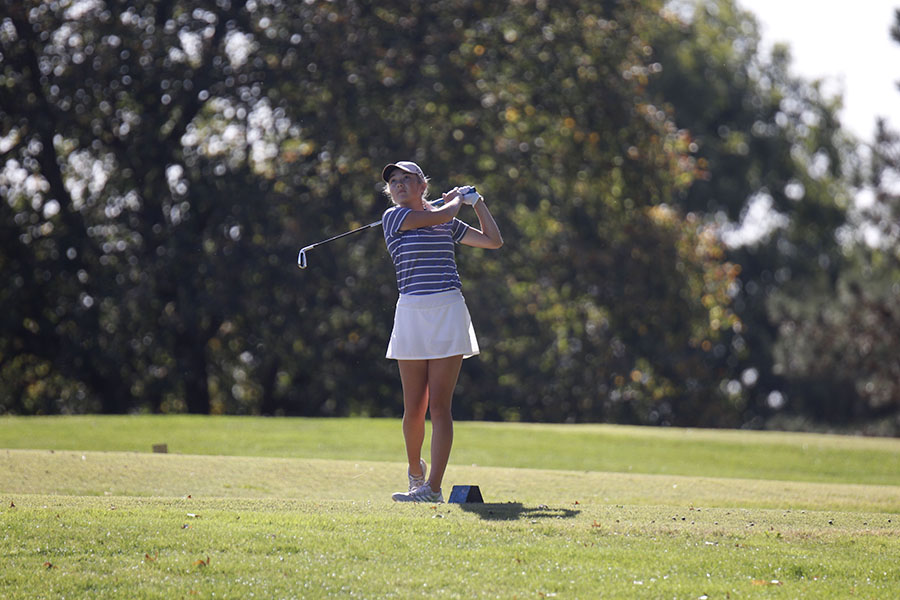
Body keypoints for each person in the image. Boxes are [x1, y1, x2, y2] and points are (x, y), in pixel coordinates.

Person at [380, 161, 503, 503]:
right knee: (413, 407)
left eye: (407, 179)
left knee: (440, 407)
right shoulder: (395, 218)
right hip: (411, 312)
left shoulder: (445, 220)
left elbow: (494, 241)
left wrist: (476, 202)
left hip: (447, 309)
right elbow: (439, 217)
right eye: (394, 181)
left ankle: (432, 488)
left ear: (423, 185)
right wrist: (456, 201)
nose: (399, 185)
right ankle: (414, 472)